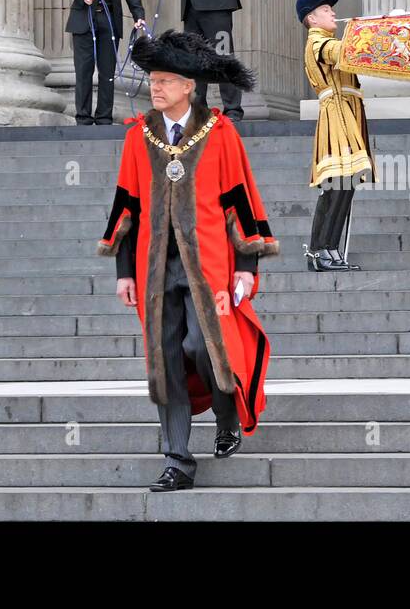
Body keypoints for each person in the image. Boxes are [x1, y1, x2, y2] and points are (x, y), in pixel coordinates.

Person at [98, 30, 278, 492]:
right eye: (153, 80)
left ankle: (225, 415)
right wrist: (123, 273)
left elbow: (241, 201)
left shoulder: (220, 132)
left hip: (211, 268)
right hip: (154, 267)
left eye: (164, 81)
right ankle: (177, 459)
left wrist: (246, 266)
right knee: (164, 358)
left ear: (188, 87)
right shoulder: (139, 136)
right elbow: (127, 207)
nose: (155, 88)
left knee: (202, 347)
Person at [296, 0, 374, 272]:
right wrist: (373, 31)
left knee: (345, 186)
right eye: (326, 9)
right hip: (336, 114)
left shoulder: (326, 39)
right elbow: (339, 52)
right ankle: (318, 250)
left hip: (348, 114)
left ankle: (330, 248)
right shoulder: (318, 41)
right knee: (335, 186)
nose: (332, 13)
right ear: (311, 18)